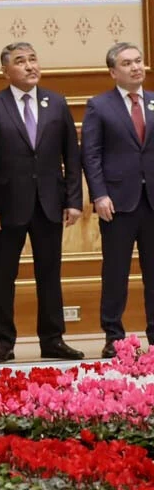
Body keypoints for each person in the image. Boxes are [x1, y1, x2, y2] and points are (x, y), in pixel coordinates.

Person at [0, 41, 83, 363]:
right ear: (5, 71)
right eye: (20, 61)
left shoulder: (56, 103)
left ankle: (53, 339)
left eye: (33, 59)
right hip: (7, 207)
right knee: (3, 276)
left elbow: (71, 156)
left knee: (49, 274)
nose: (30, 66)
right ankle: (3, 343)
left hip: (50, 202)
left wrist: (73, 200)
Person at [81, 42, 154, 358]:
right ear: (113, 72)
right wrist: (99, 194)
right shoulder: (99, 106)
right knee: (115, 272)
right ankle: (113, 335)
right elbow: (91, 154)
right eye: (127, 63)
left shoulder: (153, 101)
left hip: (152, 201)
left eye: (139, 61)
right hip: (117, 202)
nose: (136, 67)